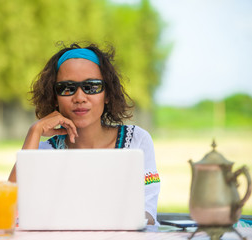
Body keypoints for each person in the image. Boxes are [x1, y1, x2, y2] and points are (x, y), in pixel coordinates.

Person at [8, 42, 160, 225]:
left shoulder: (136, 141)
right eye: (66, 88)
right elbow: (9, 209)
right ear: (54, 98)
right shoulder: (41, 152)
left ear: (108, 94)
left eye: (92, 86)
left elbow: (148, 214)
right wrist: (34, 132)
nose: (79, 97)